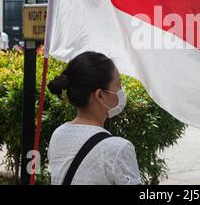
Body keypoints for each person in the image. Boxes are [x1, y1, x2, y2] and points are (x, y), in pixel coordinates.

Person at [47, 52, 141, 185]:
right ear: (100, 95)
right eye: (118, 84)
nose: (121, 90)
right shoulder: (118, 149)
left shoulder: (58, 135)